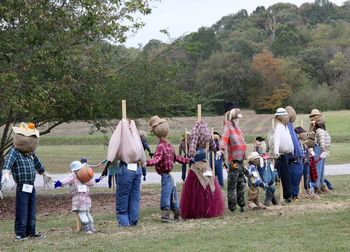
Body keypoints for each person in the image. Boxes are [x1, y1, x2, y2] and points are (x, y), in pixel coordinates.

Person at [1, 122, 53, 241]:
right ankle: (20, 233)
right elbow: (8, 162)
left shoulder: (30, 153)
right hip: (22, 186)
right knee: (22, 210)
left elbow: (37, 163)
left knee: (31, 209)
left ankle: (31, 231)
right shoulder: (15, 151)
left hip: (31, 186)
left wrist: (44, 173)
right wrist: (5, 172)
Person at [102, 118, 146, 227]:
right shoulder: (135, 135)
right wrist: (144, 165)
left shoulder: (123, 133)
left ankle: (124, 222)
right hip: (137, 168)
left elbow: (113, 146)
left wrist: (107, 166)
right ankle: (133, 220)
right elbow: (141, 152)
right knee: (134, 196)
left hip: (127, 168)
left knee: (123, 196)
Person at [146, 116, 189, 222]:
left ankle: (166, 216)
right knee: (173, 195)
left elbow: (156, 159)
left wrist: (146, 162)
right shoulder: (169, 146)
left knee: (167, 195)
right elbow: (177, 158)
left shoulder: (161, 146)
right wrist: (188, 160)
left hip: (166, 176)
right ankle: (177, 215)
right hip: (170, 175)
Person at [180, 119, 225, 219]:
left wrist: (190, 156)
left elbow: (192, 147)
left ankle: (200, 210)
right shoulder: (207, 134)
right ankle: (205, 209)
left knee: (198, 187)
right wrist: (215, 150)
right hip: (203, 164)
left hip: (198, 163)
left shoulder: (196, 133)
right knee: (206, 185)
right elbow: (213, 146)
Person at [217, 102, 247, 212]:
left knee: (241, 183)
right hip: (234, 161)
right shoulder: (228, 126)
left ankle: (242, 204)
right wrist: (221, 150)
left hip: (241, 161)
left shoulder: (237, 127)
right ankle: (233, 206)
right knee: (233, 185)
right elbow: (224, 139)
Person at [54, 161, 98, 233]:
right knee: (87, 212)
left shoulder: (73, 175)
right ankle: (92, 228)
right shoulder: (84, 175)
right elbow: (90, 182)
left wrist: (59, 183)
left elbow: (66, 180)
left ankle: (87, 229)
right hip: (86, 197)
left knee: (82, 213)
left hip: (78, 199)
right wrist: (95, 180)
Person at [273, 108, 294, 203]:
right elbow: (276, 139)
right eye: (285, 115)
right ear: (281, 117)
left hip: (288, 154)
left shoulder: (285, 127)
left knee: (288, 175)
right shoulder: (279, 127)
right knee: (284, 176)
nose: (287, 117)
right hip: (281, 155)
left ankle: (289, 194)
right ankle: (287, 195)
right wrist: (276, 151)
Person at [285, 106, 304, 200]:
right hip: (293, 156)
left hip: (297, 156)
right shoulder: (287, 127)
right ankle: (293, 195)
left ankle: (294, 194)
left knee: (298, 173)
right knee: (295, 175)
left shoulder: (290, 126)